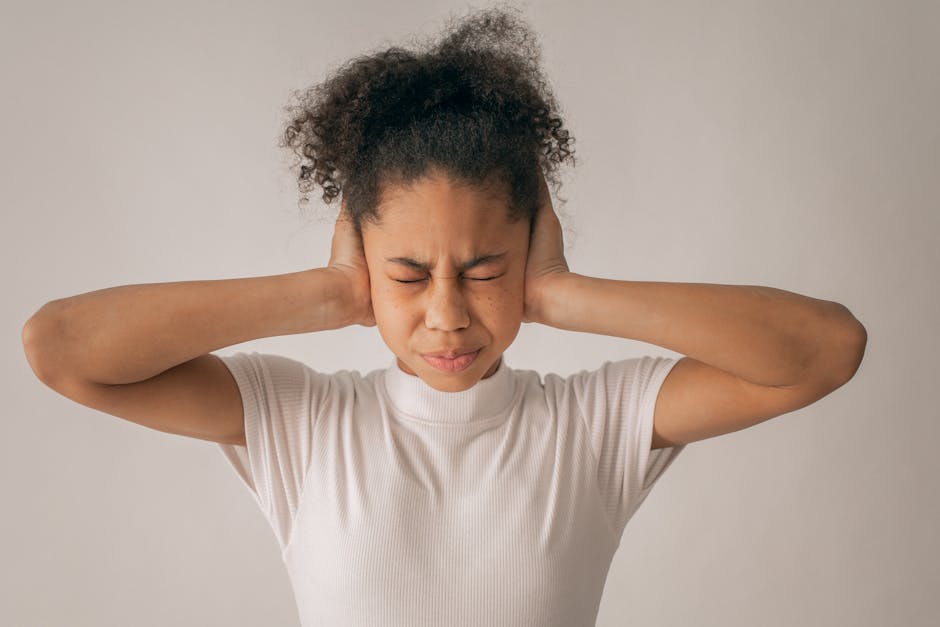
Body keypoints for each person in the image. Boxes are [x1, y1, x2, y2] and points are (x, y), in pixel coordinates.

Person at [21, 6, 867, 627]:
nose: (448, 313)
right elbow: (60, 348)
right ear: (366, 264)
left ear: (528, 253)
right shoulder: (303, 423)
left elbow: (827, 349)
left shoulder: (591, 425)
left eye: (485, 269)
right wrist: (328, 293)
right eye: (409, 273)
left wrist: (563, 293)